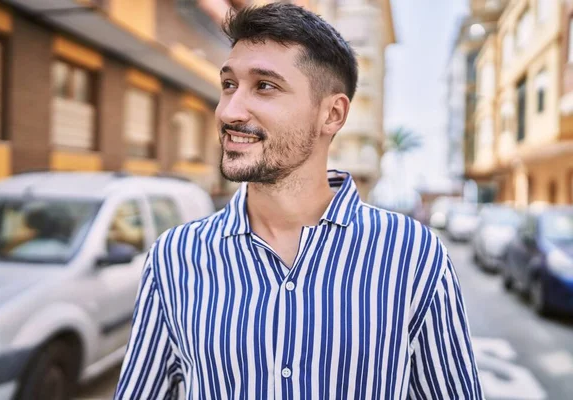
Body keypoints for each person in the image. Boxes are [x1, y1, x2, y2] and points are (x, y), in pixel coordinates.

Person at [115, 4, 483, 399]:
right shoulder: (174, 256)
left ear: (332, 115)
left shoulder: (412, 255)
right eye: (228, 85)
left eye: (265, 86)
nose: (229, 110)